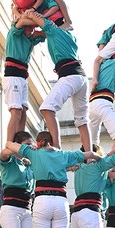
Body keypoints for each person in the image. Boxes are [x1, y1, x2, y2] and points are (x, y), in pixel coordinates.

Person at [21, 11, 90, 151]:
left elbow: (36, 18)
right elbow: (41, 34)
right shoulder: (69, 35)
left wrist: (27, 12)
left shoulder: (52, 29)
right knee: (82, 120)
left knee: (47, 108)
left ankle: (57, 147)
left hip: (69, 75)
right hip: (82, 77)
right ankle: (89, 154)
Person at [3, 5, 46, 140]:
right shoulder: (14, 33)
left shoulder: (31, 39)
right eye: (29, 25)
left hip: (22, 77)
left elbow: (47, 32)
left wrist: (37, 26)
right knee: (16, 112)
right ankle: (10, 142)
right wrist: (21, 14)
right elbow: (21, 22)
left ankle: (19, 140)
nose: (31, 28)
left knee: (23, 111)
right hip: (13, 75)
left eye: (32, 26)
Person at [89, 53, 115, 153]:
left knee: (92, 144)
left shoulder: (102, 64)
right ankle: (108, 164)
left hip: (91, 103)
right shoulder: (114, 61)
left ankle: (88, 166)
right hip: (103, 103)